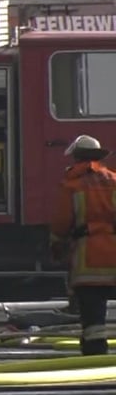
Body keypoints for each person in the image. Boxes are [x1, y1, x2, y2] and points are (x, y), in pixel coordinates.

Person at [49, 134, 116, 355]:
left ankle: (95, 352)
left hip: (88, 259)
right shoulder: (114, 181)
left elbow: (61, 223)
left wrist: (57, 247)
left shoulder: (71, 185)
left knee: (92, 313)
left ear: (76, 157)